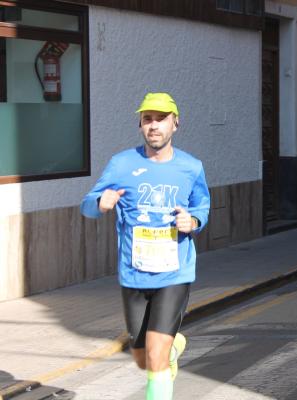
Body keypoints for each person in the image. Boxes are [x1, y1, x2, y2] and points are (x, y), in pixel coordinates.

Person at [80, 93, 210, 400]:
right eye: (147, 119)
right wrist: (100, 202)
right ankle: (174, 346)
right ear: (140, 125)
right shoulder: (122, 163)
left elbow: (202, 206)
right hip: (133, 273)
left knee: (154, 355)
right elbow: (86, 205)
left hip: (173, 273)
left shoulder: (191, 167)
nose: (154, 126)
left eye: (161, 119)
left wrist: (192, 222)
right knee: (142, 358)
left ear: (175, 124)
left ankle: (164, 355)